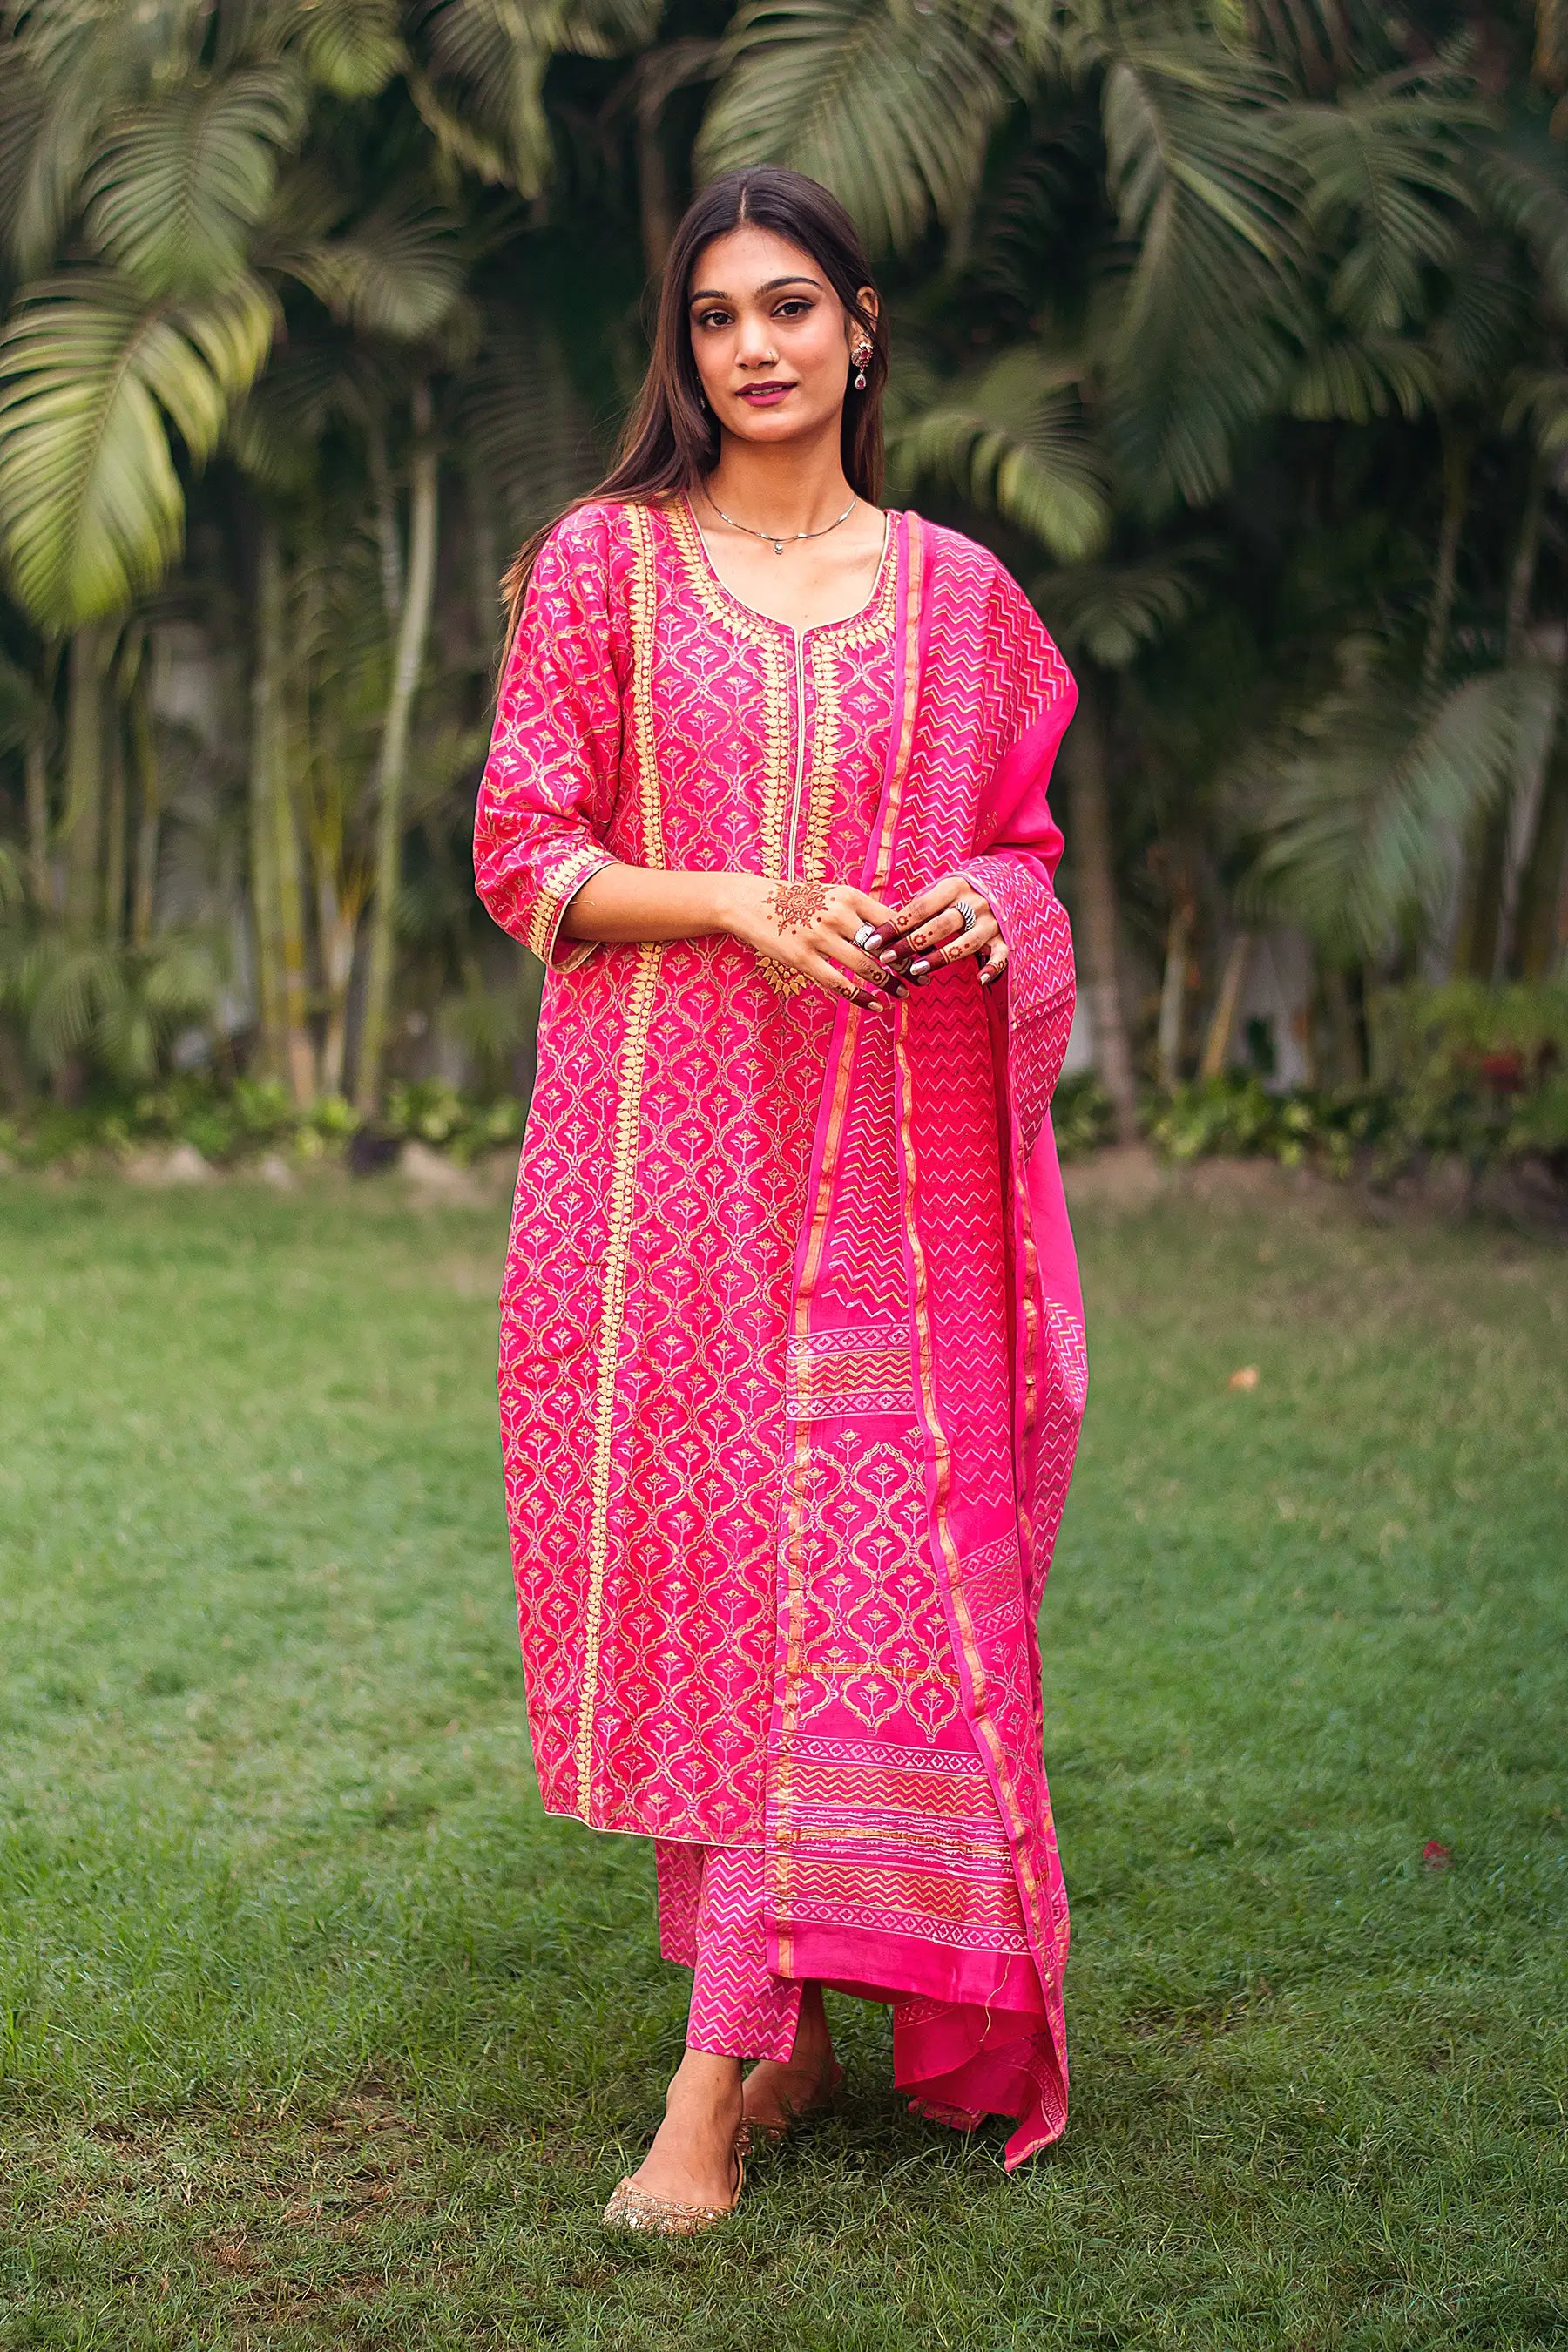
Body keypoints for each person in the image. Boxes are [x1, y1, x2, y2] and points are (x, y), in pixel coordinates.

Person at [473, 166, 1085, 2234]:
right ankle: (794, 2013)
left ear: (863, 328)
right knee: (723, 1597)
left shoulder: (962, 595)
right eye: (719, 312)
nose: (755, 344)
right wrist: (736, 904)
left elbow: (1027, 846)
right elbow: (522, 853)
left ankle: (707, 2100)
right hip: (661, 1178)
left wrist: (989, 913)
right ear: (688, 344)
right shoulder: (605, 569)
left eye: (793, 305)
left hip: (889, 1191)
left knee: (834, 1590)